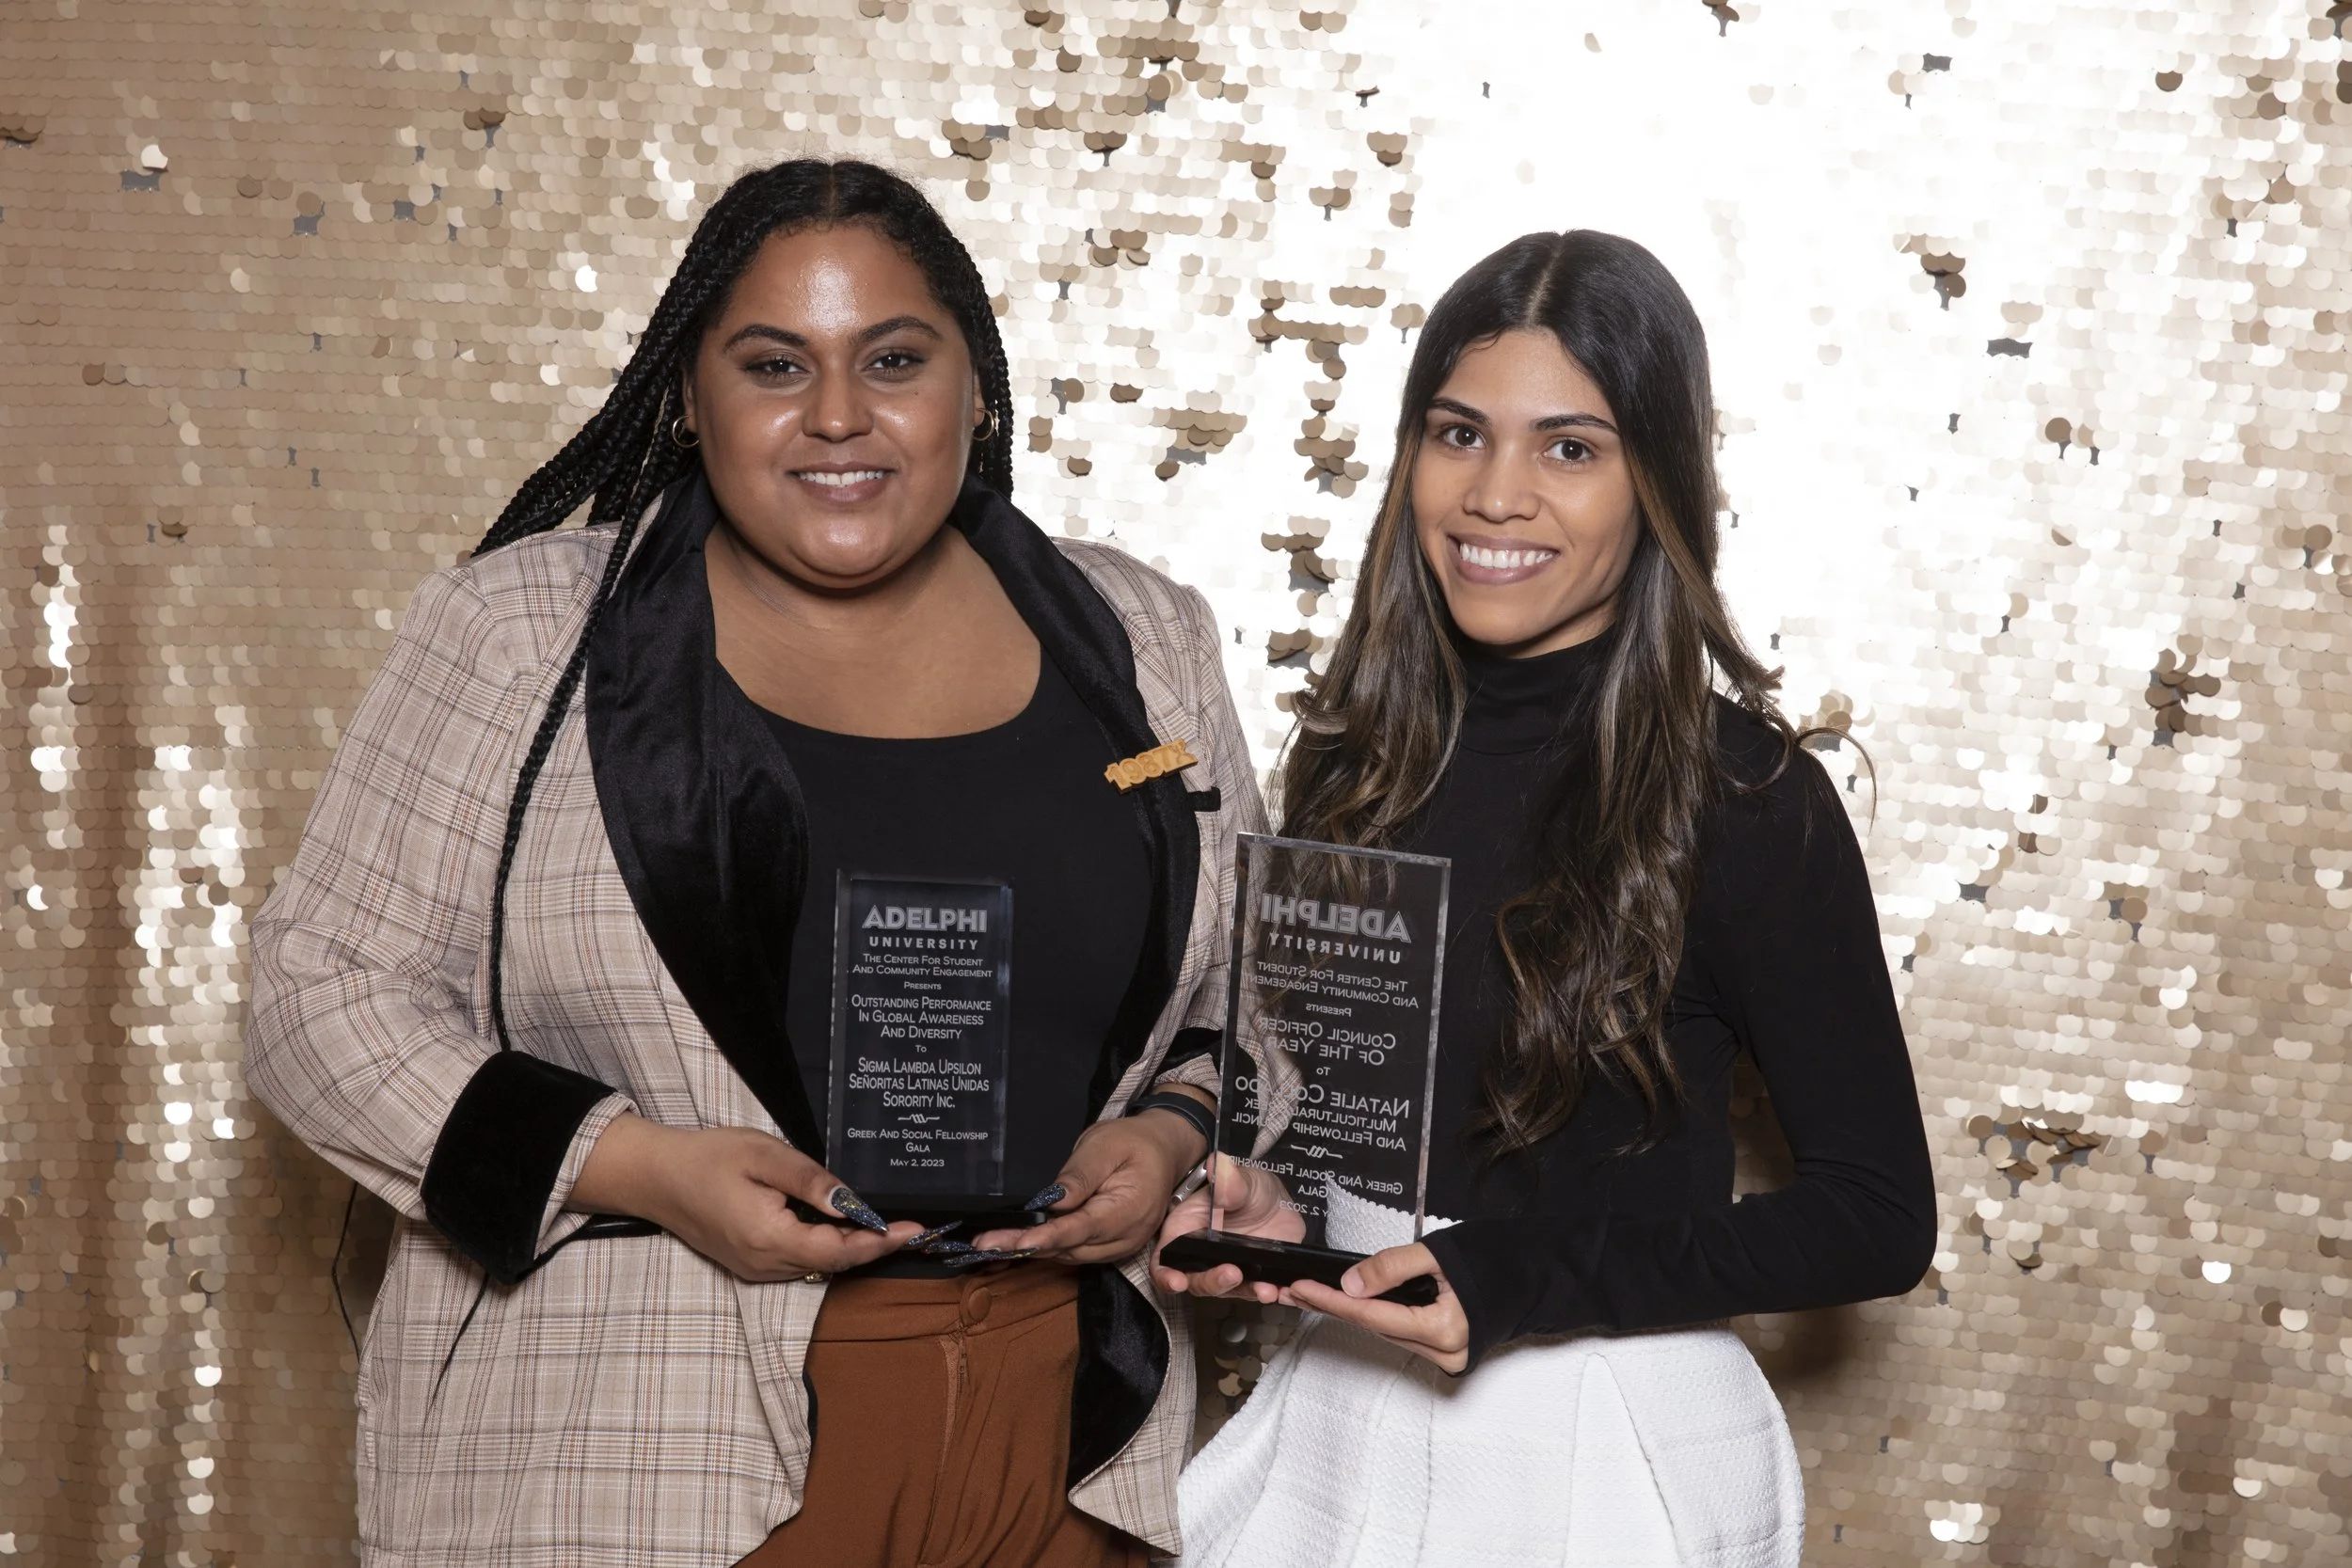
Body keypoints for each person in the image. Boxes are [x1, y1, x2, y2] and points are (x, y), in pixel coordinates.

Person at [246, 158, 1263, 1568]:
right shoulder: (519, 631)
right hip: (646, 1443)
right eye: (774, 364)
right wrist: (640, 1163)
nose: (839, 415)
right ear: (688, 393)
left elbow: (1251, 1006)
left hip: (1063, 1450)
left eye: (894, 359)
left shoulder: (1144, 637)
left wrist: (1168, 1138)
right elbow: (317, 993)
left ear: (975, 384)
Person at [1159, 230, 1937, 1566]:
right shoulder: (1354, 758)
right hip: (1344, 1404)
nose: (1497, 493)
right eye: (1459, 433)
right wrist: (1286, 1201)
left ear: (1657, 482)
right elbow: (1383, 1107)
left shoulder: (1747, 798)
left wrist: (1517, 1277)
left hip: (1599, 1432)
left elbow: (1878, 1214)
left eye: (1569, 447)